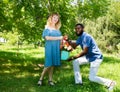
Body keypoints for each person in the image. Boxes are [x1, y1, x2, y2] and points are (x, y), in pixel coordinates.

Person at [68, 23, 116, 91]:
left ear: (83, 29)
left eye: (78, 28)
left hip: (96, 58)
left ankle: (110, 83)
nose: (77, 30)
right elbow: (74, 45)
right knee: (75, 62)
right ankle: (78, 82)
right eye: (76, 29)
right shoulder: (80, 37)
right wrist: (68, 41)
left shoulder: (86, 37)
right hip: (89, 57)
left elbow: (85, 51)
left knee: (92, 78)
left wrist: (73, 57)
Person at [37, 13, 63, 86]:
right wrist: (59, 38)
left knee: (52, 64)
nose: (56, 19)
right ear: (51, 18)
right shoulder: (47, 28)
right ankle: (40, 79)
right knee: (48, 64)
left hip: (56, 48)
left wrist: (62, 43)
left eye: (57, 18)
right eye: (54, 17)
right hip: (49, 47)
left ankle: (50, 80)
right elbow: (47, 38)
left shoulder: (57, 29)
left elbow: (61, 39)